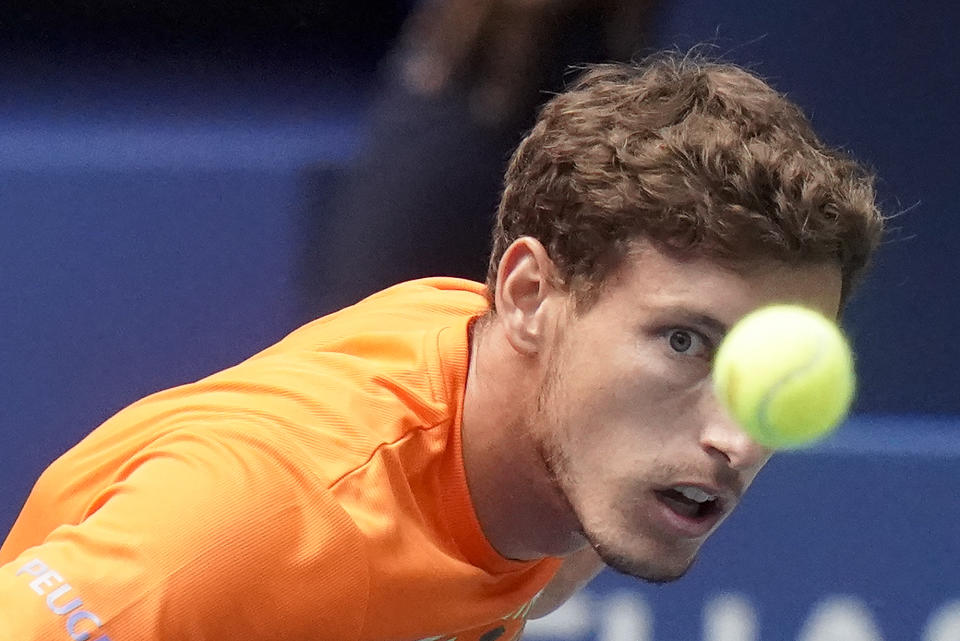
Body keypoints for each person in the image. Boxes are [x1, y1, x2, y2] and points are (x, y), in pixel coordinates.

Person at [0, 53, 883, 641]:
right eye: (684, 341)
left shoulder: (570, 475)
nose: (734, 439)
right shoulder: (236, 526)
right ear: (530, 296)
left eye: (762, 371)